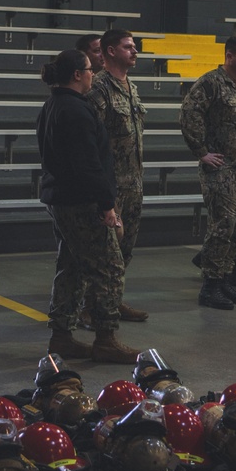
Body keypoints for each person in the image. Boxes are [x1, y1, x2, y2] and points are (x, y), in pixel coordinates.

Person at [36, 48, 140, 363]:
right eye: (88, 69)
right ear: (77, 75)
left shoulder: (53, 105)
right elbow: (88, 165)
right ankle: (106, 337)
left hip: (62, 199)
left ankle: (62, 336)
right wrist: (107, 206)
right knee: (109, 267)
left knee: (71, 267)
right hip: (82, 202)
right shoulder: (77, 111)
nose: (93, 73)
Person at [180, 36, 236, 310]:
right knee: (224, 224)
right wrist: (201, 152)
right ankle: (210, 284)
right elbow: (189, 115)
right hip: (221, 169)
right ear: (230, 56)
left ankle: (225, 276)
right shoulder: (211, 84)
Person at [81, 29, 149, 328]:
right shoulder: (98, 88)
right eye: (128, 47)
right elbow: (91, 141)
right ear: (110, 51)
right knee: (101, 252)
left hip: (132, 183)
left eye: (134, 47)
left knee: (124, 251)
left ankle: (112, 300)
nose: (134, 52)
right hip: (110, 185)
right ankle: (88, 308)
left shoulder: (131, 88)